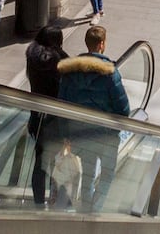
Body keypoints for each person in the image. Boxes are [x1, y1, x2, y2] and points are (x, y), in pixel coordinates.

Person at [56, 24, 131, 208]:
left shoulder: (69, 72)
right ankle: (95, 209)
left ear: (87, 43)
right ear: (102, 44)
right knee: (107, 174)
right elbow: (123, 109)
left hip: (80, 133)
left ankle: (86, 206)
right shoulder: (110, 74)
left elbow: (61, 105)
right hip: (106, 135)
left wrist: (65, 133)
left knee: (87, 173)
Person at [26, 21, 67, 205]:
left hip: (37, 118)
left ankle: (38, 203)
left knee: (40, 162)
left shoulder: (33, 59)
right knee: (57, 161)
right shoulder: (58, 63)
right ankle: (55, 198)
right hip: (55, 120)